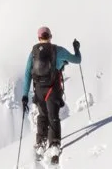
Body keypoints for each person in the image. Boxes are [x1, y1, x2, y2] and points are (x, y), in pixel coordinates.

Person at [16, 27, 81, 156]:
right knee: (53, 117)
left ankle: (40, 144)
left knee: (42, 116)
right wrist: (76, 48)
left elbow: (28, 74)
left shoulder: (33, 53)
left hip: (39, 90)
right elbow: (77, 60)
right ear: (50, 36)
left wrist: (24, 96)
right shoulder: (58, 51)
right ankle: (55, 145)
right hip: (53, 89)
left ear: (39, 38)